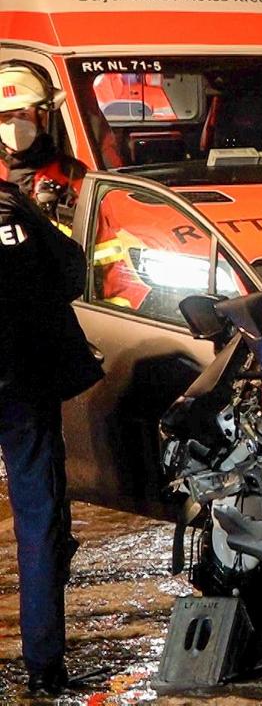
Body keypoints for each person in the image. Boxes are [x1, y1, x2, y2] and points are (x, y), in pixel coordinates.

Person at [0, 174, 103, 696]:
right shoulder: (10, 209)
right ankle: (43, 666)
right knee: (38, 520)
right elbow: (70, 273)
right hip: (22, 383)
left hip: (21, 382)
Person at [0, 64, 86, 227]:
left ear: (43, 117)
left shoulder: (72, 174)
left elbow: (102, 245)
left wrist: (65, 220)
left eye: (23, 114)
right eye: (6, 116)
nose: (15, 124)